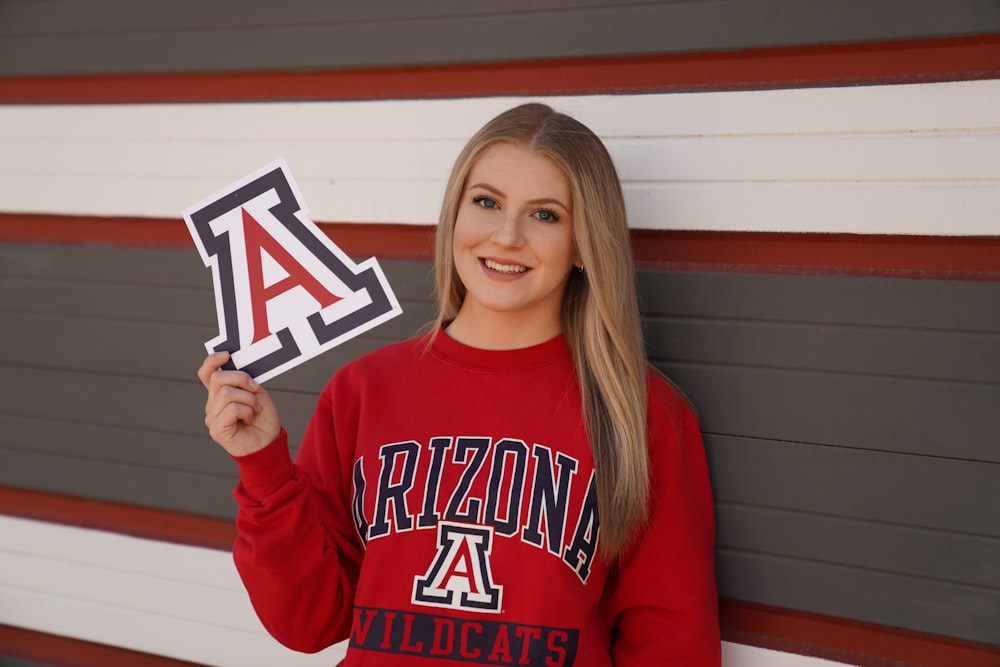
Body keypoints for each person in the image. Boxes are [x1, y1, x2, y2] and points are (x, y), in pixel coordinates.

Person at [198, 102, 721, 666]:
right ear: (455, 212)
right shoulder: (364, 390)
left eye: (545, 215)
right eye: (487, 202)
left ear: (583, 246)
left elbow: (672, 641)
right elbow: (309, 620)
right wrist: (264, 469)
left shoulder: (637, 413)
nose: (507, 235)